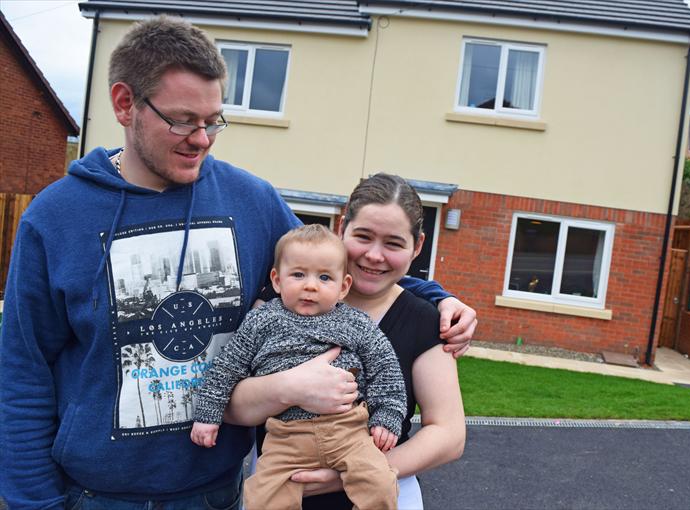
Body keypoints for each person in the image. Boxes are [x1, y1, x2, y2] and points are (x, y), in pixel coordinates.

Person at [0, 16, 476, 510]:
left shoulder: (251, 201)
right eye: (183, 120)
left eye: (213, 121)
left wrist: (436, 298)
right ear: (125, 104)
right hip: (93, 496)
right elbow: (22, 372)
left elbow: (333, 268)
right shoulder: (55, 218)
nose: (202, 139)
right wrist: (33, 502)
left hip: (215, 494)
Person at [227, 173, 467, 510]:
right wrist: (290, 387)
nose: (374, 255)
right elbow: (231, 404)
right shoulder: (277, 303)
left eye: (393, 244)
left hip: (382, 492)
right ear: (343, 228)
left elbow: (448, 435)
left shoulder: (426, 320)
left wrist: (351, 473)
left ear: (418, 246)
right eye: (364, 236)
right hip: (279, 488)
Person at [191, 224, 405, 509]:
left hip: (350, 431)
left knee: (380, 484)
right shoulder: (261, 321)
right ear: (277, 281)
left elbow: (386, 368)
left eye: (325, 277)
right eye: (298, 274)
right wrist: (208, 414)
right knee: (263, 497)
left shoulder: (355, 323)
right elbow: (226, 368)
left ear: (344, 287)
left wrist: (388, 414)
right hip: (286, 436)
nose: (311, 285)